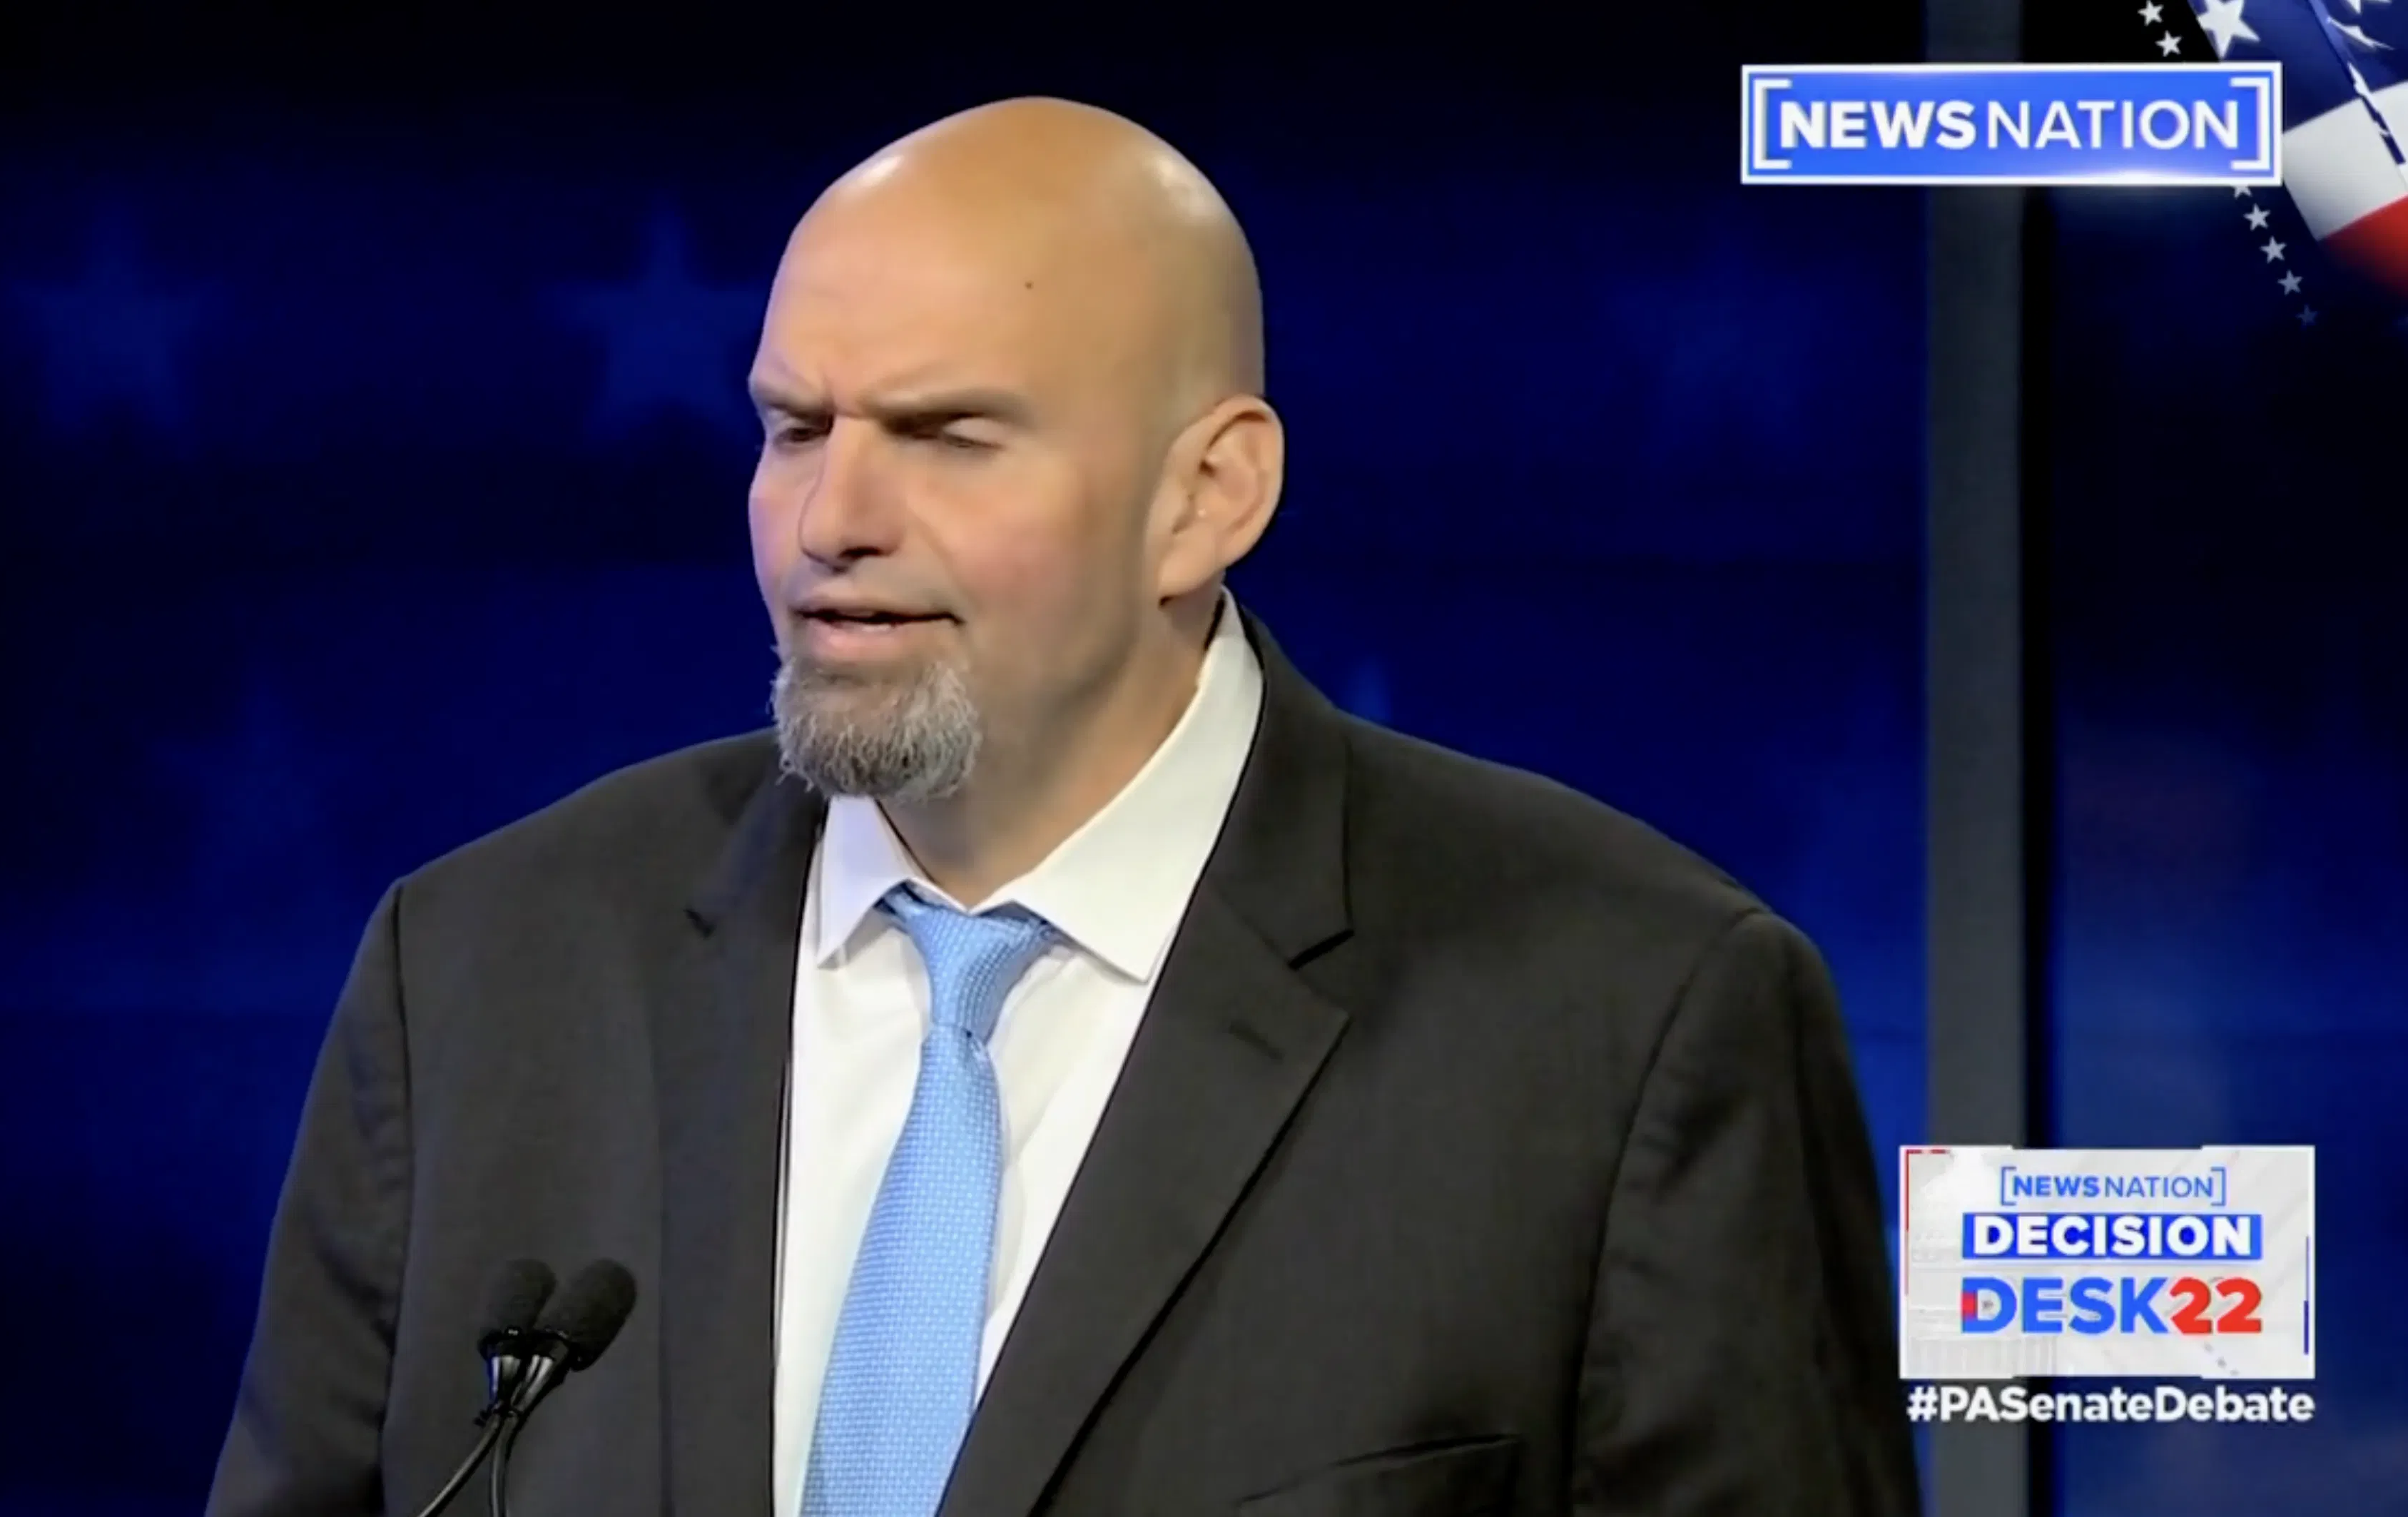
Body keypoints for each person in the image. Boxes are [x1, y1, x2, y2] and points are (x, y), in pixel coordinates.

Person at [207, 97, 1918, 1517]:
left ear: (1208, 496)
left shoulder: (1629, 1023)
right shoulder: (481, 971)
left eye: (948, 434)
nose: (830, 519)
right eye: (793, 429)